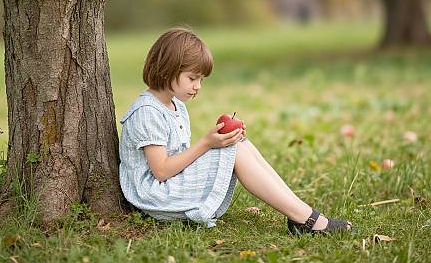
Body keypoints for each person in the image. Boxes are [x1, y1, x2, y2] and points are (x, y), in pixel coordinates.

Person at [118, 27, 352, 233]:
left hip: (168, 186)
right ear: (167, 69)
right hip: (154, 197)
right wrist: (206, 144)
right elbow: (160, 171)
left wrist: (222, 140)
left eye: (201, 79)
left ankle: (299, 211)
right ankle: (304, 218)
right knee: (235, 152)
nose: (198, 87)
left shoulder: (175, 105)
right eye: (192, 78)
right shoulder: (147, 111)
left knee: (239, 144)